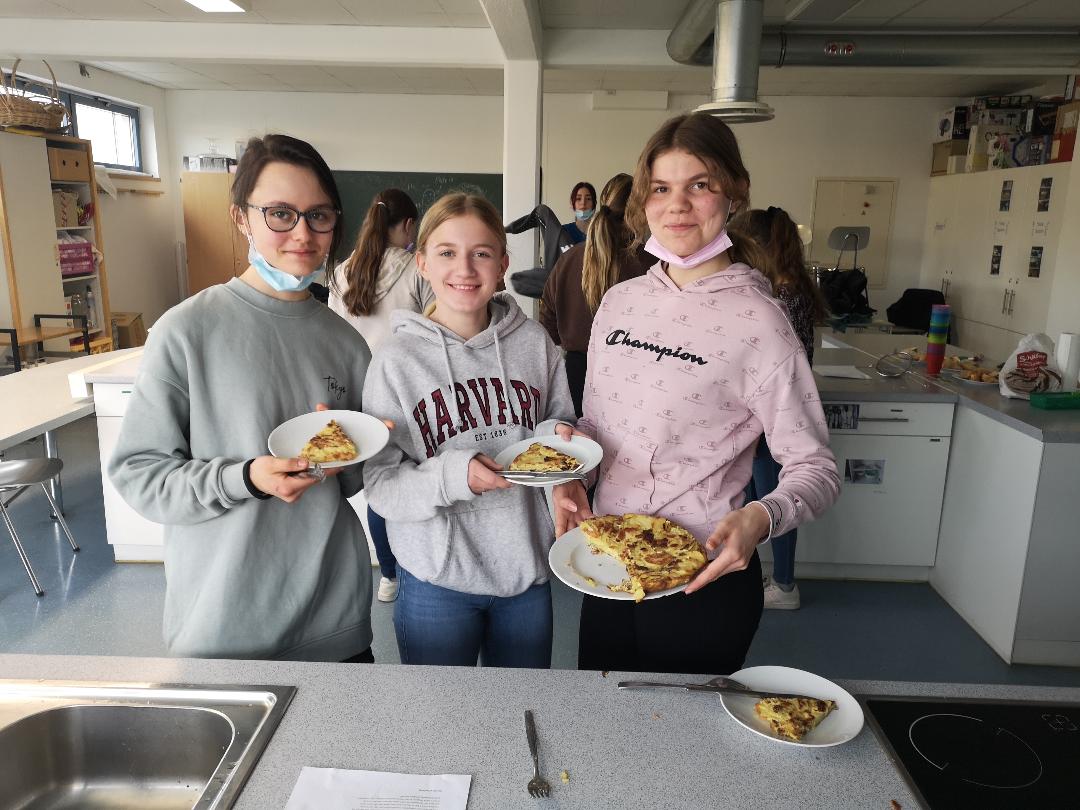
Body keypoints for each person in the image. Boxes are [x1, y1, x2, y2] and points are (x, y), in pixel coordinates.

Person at [554, 113, 840, 675]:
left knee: (678, 755)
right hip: (608, 563)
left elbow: (816, 468)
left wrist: (763, 515)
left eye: (700, 185)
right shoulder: (619, 302)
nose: (677, 206)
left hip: (702, 578)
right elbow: (597, 426)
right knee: (600, 736)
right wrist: (572, 472)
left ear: (733, 194)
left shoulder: (761, 321)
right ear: (644, 200)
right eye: (662, 188)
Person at [109, 134, 376, 663]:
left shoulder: (345, 342)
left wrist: (353, 453)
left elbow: (349, 482)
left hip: (336, 623)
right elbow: (140, 475)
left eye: (319, 216)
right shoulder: (187, 331)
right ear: (241, 218)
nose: (302, 233)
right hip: (222, 627)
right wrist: (247, 478)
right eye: (280, 213)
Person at [362, 193, 577, 668]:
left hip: (525, 575)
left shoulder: (534, 343)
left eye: (481, 253)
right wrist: (455, 476)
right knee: (438, 725)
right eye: (446, 252)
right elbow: (381, 485)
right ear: (421, 263)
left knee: (524, 714)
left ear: (502, 263)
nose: (465, 268)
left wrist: (564, 454)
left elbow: (559, 429)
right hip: (436, 580)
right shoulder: (395, 361)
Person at [329, 188, 434, 603]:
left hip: (360, 393)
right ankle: (417, 568)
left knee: (380, 484)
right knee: (417, 480)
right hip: (413, 393)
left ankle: (388, 574)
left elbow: (334, 339)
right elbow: (431, 336)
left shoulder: (341, 272)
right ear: (409, 226)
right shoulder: (417, 269)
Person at [736, 206, 827, 610]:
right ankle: (769, 578)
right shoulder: (791, 289)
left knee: (777, 505)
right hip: (771, 421)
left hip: (773, 425)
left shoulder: (781, 299)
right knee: (761, 502)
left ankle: (785, 585)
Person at [540, 173, 653, 416]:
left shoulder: (569, 259)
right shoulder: (652, 264)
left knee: (580, 449)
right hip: (633, 375)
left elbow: (547, 324)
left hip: (576, 373)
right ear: (641, 212)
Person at [561, 181, 596, 245]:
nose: (583, 203)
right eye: (578, 198)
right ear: (572, 204)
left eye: (588, 199)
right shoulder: (564, 232)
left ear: (594, 204)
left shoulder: (601, 231)